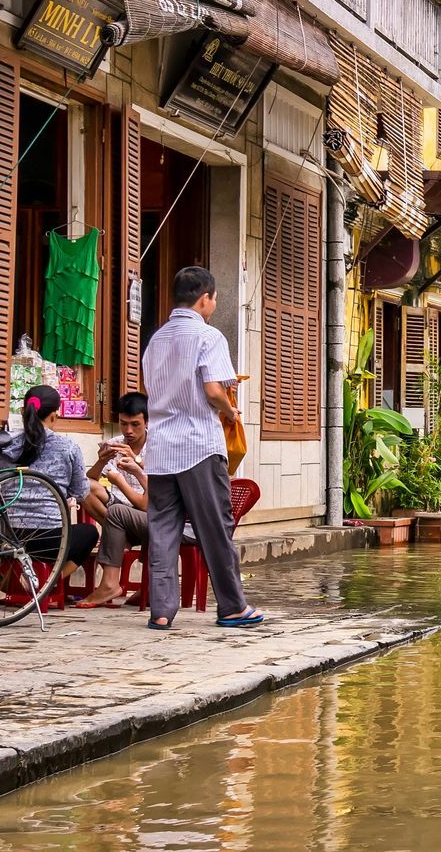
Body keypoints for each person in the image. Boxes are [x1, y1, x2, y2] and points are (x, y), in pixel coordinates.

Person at [141, 266, 263, 629]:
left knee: (162, 529)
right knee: (214, 527)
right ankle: (232, 606)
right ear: (204, 298)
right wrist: (231, 410)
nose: (213, 304)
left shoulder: (156, 340)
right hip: (198, 443)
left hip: (161, 446)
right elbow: (213, 391)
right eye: (214, 299)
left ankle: (161, 612)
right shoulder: (209, 337)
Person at [0, 385, 100, 575]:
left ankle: (11, 581)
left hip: (5, 535)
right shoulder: (68, 447)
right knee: (89, 533)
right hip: (49, 541)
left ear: (23, 412)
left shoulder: (2, 446)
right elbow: (81, 492)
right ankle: (51, 583)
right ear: (55, 415)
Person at [77, 393, 150, 609]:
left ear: (147, 422)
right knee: (85, 488)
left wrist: (136, 463)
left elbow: (148, 502)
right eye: (124, 424)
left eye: (135, 424)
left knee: (118, 512)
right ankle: (121, 537)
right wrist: (101, 462)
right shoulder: (115, 443)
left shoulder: (159, 445)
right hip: (120, 507)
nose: (128, 431)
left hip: (147, 511)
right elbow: (89, 480)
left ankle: (111, 575)